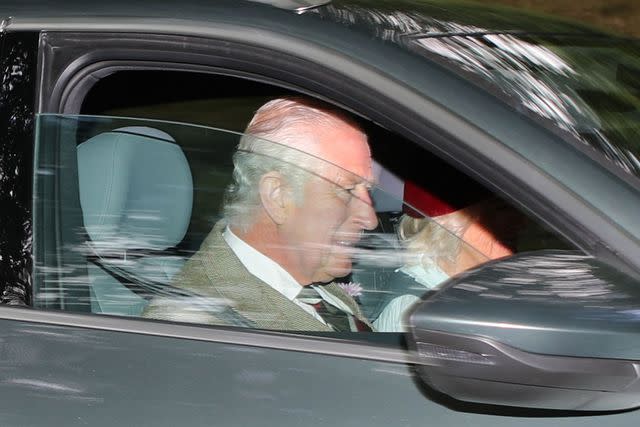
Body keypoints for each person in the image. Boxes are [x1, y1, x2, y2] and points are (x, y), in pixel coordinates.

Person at [144, 97, 378, 331]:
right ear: (278, 196)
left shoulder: (318, 291)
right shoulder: (190, 328)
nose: (370, 219)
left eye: (367, 191)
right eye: (347, 190)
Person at [373, 180, 517, 332]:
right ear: (449, 222)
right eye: (500, 209)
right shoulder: (416, 311)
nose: (520, 222)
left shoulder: (467, 288)